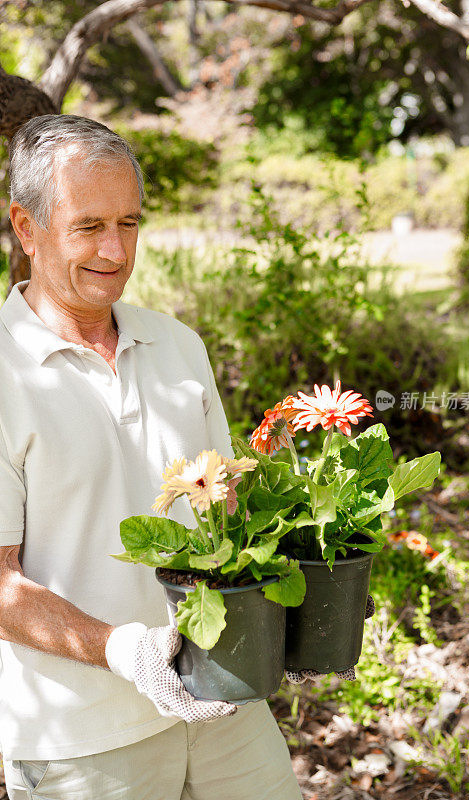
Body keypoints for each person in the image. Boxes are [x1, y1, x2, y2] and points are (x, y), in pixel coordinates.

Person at [0, 114, 302, 800]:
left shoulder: (176, 345)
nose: (115, 249)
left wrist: (286, 623)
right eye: (88, 226)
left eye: (129, 223)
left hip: (223, 702)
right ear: (26, 227)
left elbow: (226, 520)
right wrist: (123, 651)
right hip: (83, 740)